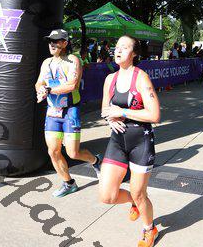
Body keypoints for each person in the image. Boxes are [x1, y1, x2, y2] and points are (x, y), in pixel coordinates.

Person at [99, 35, 161, 247]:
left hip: (140, 142)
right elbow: (105, 109)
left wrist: (123, 112)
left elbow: (154, 115)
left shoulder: (141, 78)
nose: (118, 50)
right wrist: (110, 118)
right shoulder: (110, 79)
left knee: (139, 192)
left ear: (134, 53)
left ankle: (149, 229)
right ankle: (135, 201)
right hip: (117, 141)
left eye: (124, 47)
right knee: (107, 196)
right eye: (117, 47)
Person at [35, 29, 101, 198]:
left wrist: (49, 90)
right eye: (50, 41)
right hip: (52, 112)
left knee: (73, 153)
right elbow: (39, 83)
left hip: (70, 111)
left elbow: (72, 85)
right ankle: (69, 183)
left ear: (64, 43)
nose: (52, 44)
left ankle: (96, 161)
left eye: (56, 41)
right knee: (53, 151)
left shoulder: (73, 60)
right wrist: (40, 90)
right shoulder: (46, 62)